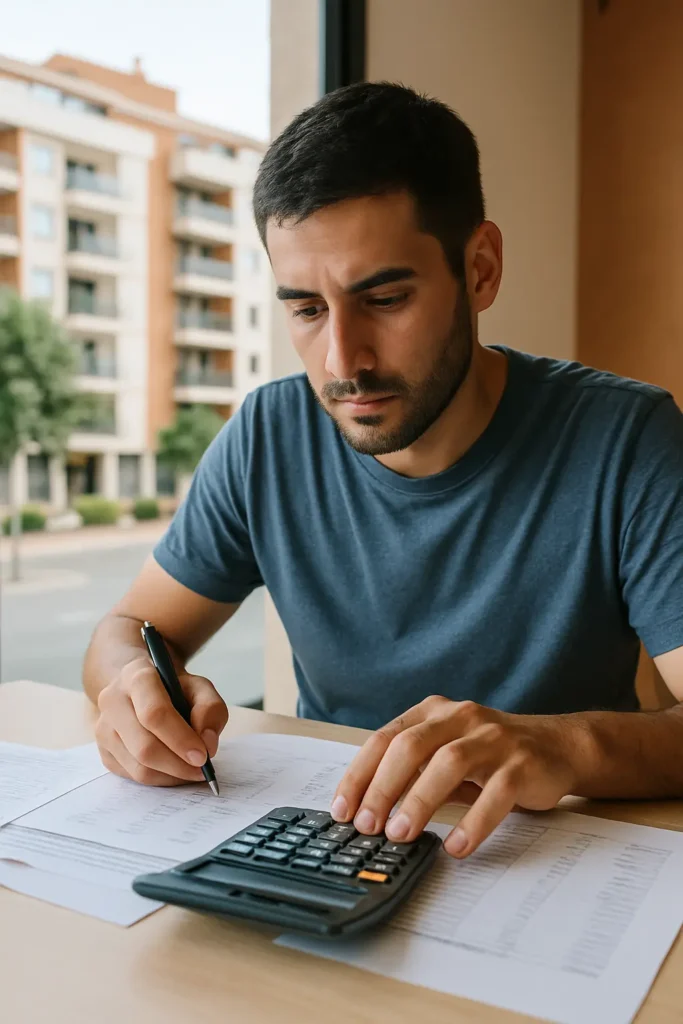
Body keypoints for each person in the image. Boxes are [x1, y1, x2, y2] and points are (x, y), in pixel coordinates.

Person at [84, 82, 683, 860]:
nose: (342, 361)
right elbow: (125, 631)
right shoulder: (267, 435)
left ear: (480, 269)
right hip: (332, 851)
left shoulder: (624, 438)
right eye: (305, 309)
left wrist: (559, 747)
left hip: (546, 859)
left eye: (386, 297)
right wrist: (130, 687)